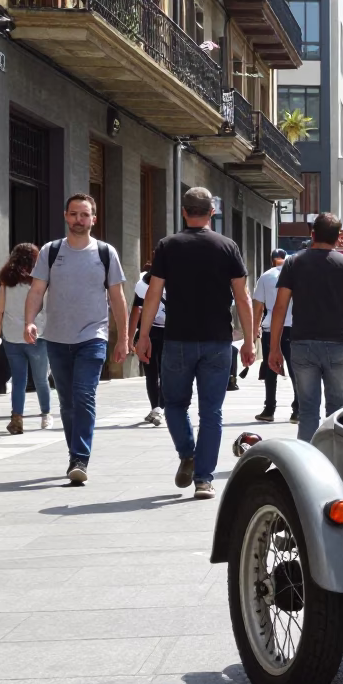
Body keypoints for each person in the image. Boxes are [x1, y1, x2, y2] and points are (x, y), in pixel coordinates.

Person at [137, 188, 254, 498]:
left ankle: (188, 453)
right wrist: (250, 340)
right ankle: (204, 480)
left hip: (177, 340)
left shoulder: (168, 246)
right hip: (218, 342)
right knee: (212, 413)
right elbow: (242, 297)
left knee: (174, 405)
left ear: (184, 212)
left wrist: (144, 334)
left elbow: (152, 294)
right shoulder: (227, 247)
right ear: (211, 212)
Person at [24, 193, 130, 483]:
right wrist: (29, 322)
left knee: (84, 396)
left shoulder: (106, 253)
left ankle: (80, 458)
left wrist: (122, 339)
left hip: (92, 337)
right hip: (56, 338)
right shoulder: (51, 251)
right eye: (74, 214)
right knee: (67, 403)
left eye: (85, 215)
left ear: (93, 219)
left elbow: (117, 297)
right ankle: (75, 455)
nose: (79, 220)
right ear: (65, 216)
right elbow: (36, 290)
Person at [270, 212, 343, 442]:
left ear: (312, 234)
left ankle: (306, 467)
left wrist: (274, 348)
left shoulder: (294, 262)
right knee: (336, 411)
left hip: (302, 344)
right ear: (339, 238)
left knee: (307, 412)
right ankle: (333, 463)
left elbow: (280, 307)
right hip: (338, 344)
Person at [0, 244, 52, 434]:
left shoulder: (6, 282)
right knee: (41, 379)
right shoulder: (40, 281)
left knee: (19, 380)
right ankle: (46, 414)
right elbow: (48, 309)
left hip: (11, 337)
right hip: (38, 335)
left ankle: (17, 418)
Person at [252, 248, 297, 424]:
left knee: (270, 370)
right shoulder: (296, 274)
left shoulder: (265, 276)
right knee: (295, 370)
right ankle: (297, 410)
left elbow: (257, 308)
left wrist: (254, 330)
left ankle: (269, 409)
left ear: (272, 260)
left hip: (271, 327)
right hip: (294, 327)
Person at [129, 261, 166, 426]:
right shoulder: (142, 284)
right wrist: (129, 338)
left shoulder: (176, 280)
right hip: (148, 331)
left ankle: (160, 408)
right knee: (151, 372)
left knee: (165, 373)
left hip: (170, 332)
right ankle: (156, 407)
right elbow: (136, 310)